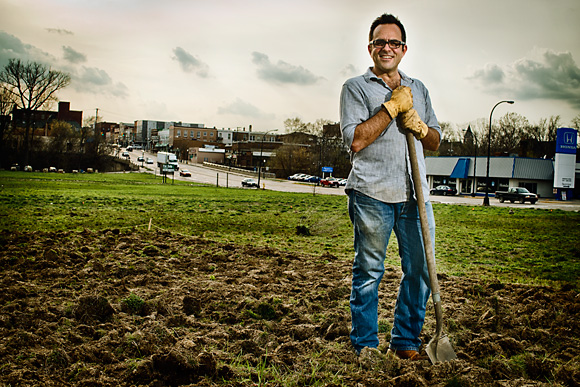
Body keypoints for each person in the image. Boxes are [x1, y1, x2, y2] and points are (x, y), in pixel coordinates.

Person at [339, 13, 441, 360]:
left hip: (415, 196)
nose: (387, 47)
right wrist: (391, 107)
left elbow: (437, 141)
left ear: (403, 48)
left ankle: (406, 341)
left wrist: (421, 127)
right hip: (372, 194)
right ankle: (365, 344)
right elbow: (355, 140)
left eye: (393, 42)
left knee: (421, 270)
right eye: (380, 42)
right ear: (370, 48)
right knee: (369, 271)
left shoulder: (418, 89)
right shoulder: (355, 87)